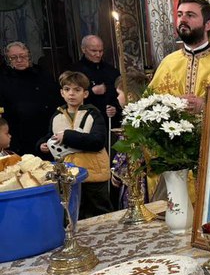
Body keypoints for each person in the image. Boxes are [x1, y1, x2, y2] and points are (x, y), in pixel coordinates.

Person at [38, 71, 111, 219]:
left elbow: (97, 141)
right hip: (69, 174)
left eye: (77, 90)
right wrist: (42, 144)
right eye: (67, 89)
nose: (71, 94)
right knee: (75, 213)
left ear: (85, 94)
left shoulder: (93, 114)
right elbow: (50, 135)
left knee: (100, 211)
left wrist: (67, 136)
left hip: (94, 173)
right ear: (62, 93)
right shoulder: (57, 115)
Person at [0, 42, 61, 156]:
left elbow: (56, 98)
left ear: (29, 56)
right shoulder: (3, 79)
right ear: (8, 60)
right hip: (19, 134)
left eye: (22, 56)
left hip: (45, 130)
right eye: (14, 57)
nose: (19, 60)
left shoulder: (41, 73)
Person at [111, 71, 148, 209]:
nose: (117, 97)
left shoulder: (133, 119)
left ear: (130, 96)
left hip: (137, 175)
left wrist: (116, 171)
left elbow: (127, 149)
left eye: (118, 93)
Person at [75, 35, 121, 124]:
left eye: (101, 51)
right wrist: (91, 91)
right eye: (94, 51)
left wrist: (115, 108)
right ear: (83, 49)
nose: (98, 54)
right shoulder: (75, 71)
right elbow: (70, 96)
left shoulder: (111, 71)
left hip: (109, 121)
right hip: (86, 120)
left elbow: (119, 93)